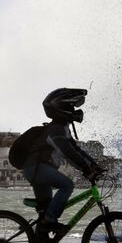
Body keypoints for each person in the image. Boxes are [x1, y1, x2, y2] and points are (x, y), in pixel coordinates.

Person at [22, 88, 103, 228]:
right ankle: (50, 219)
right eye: (71, 106)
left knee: (45, 214)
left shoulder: (62, 128)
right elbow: (68, 152)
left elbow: (75, 149)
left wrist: (93, 164)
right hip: (37, 169)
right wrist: (85, 168)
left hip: (37, 169)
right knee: (67, 185)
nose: (75, 110)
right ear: (62, 108)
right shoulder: (56, 130)